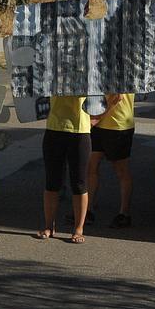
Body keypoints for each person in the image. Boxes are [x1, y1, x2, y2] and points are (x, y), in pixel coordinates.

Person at [37, 96, 96, 244]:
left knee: (79, 183)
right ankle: (49, 226)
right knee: (52, 181)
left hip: (80, 130)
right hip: (54, 128)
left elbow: (108, 95)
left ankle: (78, 229)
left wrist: (96, 119)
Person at [87, 93, 134, 228]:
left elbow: (117, 97)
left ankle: (124, 214)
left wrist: (96, 118)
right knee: (91, 167)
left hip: (118, 125)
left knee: (121, 170)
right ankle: (87, 209)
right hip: (97, 124)